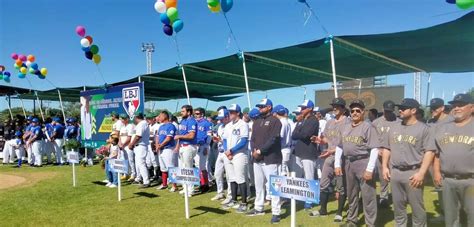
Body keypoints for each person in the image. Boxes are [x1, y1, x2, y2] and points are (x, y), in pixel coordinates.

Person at [381, 98, 437, 227]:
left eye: (403, 108)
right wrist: (384, 167)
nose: (399, 110)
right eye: (399, 107)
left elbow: (430, 152)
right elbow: (386, 148)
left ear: (413, 110)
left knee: (417, 208)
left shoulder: (424, 128)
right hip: (395, 172)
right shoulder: (394, 127)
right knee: (398, 207)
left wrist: (421, 173)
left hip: (413, 172)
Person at [334, 100, 380, 227]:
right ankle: (352, 221)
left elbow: (375, 149)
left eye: (358, 110)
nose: (355, 113)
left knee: (368, 196)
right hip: (349, 162)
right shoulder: (346, 127)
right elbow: (339, 146)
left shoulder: (368, 127)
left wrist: (370, 169)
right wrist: (337, 164)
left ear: (363, 112)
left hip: (363, 161)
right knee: (351, 194)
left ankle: (370, 223)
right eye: (352, 110)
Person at [432, 93, 473, 227]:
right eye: (455, 105)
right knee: (451, 217)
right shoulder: (443, 128)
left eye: (461, 105)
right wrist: (437, 172)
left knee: (471, 216)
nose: (457, 108)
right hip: (448, 180)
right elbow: (437, 153)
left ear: (472, 108)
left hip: (471, 180)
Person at [309, 97, 349, 222]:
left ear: (343, 108)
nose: (335, 108)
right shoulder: (330, 122)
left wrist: (332, 150)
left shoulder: (348, 122)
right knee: (323, 183)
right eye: (333, 106)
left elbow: (346, 143)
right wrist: (320, 140)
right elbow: (327, 139)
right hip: (329, 156)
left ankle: (339, 212)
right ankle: (323, 210)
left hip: (342, 158)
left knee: (341, 186)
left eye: (337, 106)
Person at [246, 98, 282, 224]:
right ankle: (258, 207)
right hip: (257, 158)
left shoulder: (275, 121)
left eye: (263, 106)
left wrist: (260, 151)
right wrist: (253, 151)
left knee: (274, 186)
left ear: (269, 107)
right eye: (259, 106)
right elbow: (252, 139)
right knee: (258, 185)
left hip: (271, 158)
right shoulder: (257, 121)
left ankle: (276, 212)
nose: (260, 108)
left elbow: (273, 139)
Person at [221, 104, 250, 213]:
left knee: (240, 178)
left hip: (239, 154)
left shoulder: (243, 124)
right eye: (229, 112)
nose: (230, 113)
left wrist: (231, 151)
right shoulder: (228, 125)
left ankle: (244, 202)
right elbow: (224, 140)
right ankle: (233, 199)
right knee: (231, 178)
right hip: (229, 154)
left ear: (238, 113)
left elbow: (243, 141)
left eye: (232, 112)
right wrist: (226, 151)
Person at [291, 100, 319, 210]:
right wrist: (301, 133)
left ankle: (309, 200)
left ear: (310, 108)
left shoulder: (314, 120)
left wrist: (300, 134)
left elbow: (306, 135)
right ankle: (300, 197)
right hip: (299, 151)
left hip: (308, 152)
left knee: (309, 177)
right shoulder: (301, 120)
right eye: (301, 108)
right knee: (298, 176)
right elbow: (294, 135)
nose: (302, 110)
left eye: (304, 108)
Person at [371, 100, 400, 208]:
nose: (388, 113)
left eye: (390, 111)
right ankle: (383, 197)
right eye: (386, 111)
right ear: (382, 109)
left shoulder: (398, 122)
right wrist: (377, 148)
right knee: (383, 178)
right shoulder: (376, 123)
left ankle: (397, 197)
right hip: (380, 153)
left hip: (394, 153)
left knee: (394, 177)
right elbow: (372, 138)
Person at [174, 105, 198, 197]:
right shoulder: (183, 121)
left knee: (189, 168)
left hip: (189, 146)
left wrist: (179, 137)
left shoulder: (192, 121)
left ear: (188, 112)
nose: (181, 112)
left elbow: (191, 135)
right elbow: (181, 134)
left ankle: (191, 190)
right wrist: (177, 146)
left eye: (183, 111)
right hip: (182, 146)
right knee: (182, 168)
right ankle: (185, 188)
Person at [211, 107, 232, 203]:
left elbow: (231, 141)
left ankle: (230, 195)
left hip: (228, 152)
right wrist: (215, 139)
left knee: (229, 175)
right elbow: (219, 138)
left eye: (222, 118)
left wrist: (220, 140)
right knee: (217, 173)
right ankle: (220, 192)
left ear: (227, 116)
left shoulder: (231, 126)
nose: (220, 120)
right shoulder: (220, 126)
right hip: (220, 151)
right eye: (219, 118)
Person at [155, 111, 178, 191]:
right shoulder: (161, 126)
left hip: (168, 149)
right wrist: (157, 145)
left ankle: (174, 185)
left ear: (165, 116)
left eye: (160, 116)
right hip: (161, 149)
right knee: (163, 168)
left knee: (171, 167)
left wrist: (160, 145)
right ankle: (164, 184)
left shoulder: (171, 126)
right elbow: (157, 137)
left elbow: (169, 138)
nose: (159, 117)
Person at [128, 113, 151, 188]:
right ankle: (140, 178)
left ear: (137, 117)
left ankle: (146, 181)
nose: (133, 119)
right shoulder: (140, 124)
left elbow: (138, 136)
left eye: (134, 117)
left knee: (141, 164)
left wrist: (131, 144)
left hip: (141, 146)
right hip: (138, 146)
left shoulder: (142, 124)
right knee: (138, 164)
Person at [194, 107, 213, 192]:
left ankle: (206, 184)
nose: (196, 115)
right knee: (198, 166)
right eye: (195, 114)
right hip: (196, 146)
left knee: (203, 166)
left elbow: (209, 136)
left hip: (204, 145)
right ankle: (202, 183)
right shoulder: (195, 122)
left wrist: (206, 146)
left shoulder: (206, 123)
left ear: (202, 114)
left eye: (197, 114)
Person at [272, 105, 293, 178]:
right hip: (286, 148)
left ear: (275, 113)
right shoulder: (286, 121)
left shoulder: (281, 122)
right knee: (285, 170)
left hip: (283, 149)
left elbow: (280, 136)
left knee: (282, 171)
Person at [118, 114, 136, 181]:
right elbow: (120, 136)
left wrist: (123, 144)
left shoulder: (130, 126)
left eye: (123, 118)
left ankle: (133, 174)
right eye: (121, 118)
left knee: (130, 160)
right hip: (122, 146)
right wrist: (120, 143)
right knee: (124, 160)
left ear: (127, 119)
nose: (122, 120)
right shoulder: (122, 127)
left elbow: (129, 137)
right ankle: (126, 174)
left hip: (128, 146)